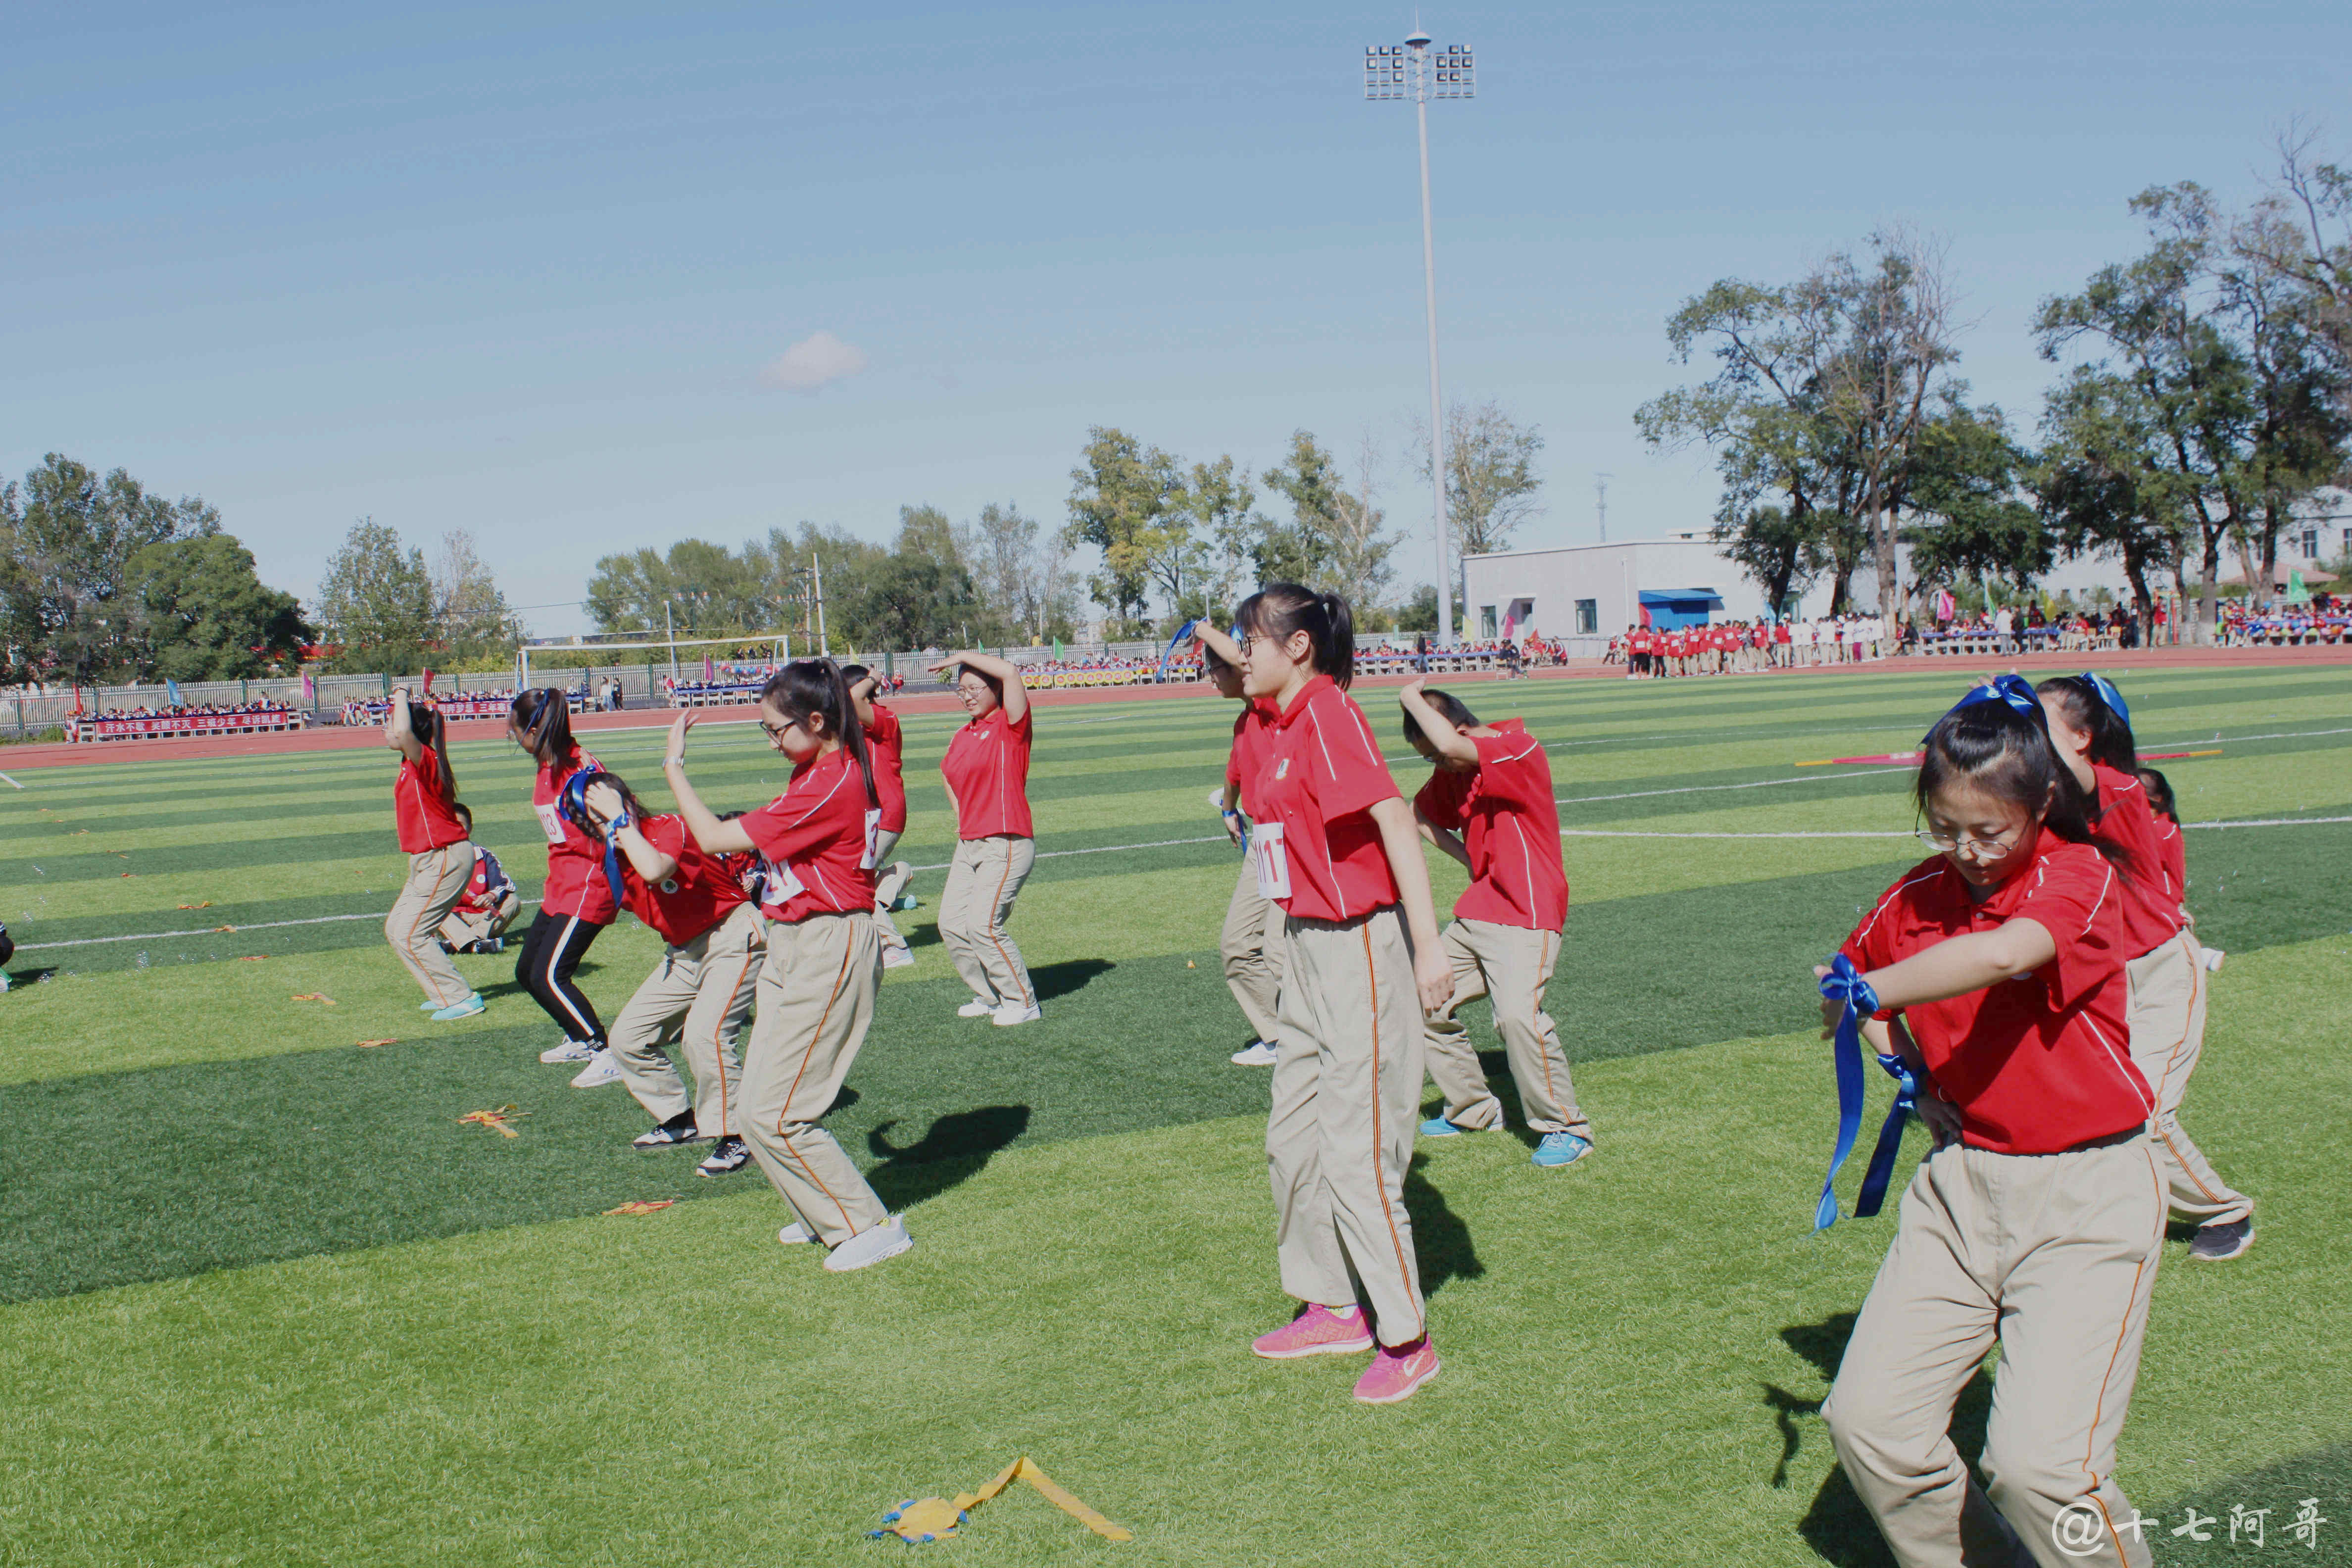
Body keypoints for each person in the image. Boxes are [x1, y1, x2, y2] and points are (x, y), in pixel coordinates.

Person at [1819, 675, 2162, 1568]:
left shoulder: (2079, 874)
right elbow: (1840, 985)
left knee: (2039, 1469)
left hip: (2086, 1195)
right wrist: (1902, 1061)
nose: (1965, 851)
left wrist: (1875, 989)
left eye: (1987, 830)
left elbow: (2005, 952)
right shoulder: (1914, 894)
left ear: (2040, 800)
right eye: (1944, 828)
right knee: (1870, 1426)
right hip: (1960, 1188)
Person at [1236, 584, 1454, 1406]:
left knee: (1355, 1150)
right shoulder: (1278, 722)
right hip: (1305, 947)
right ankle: (1331, 1302)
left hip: (1360, 945)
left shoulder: (1327, 713)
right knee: (1292, 1138)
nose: (1241, 651)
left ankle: (1406, 1337)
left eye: (1251, 638)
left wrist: (1428, 948)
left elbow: (1394, 820)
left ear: (1298, 648)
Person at [663, 661, 914, 1272]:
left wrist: (674, 767)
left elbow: (718, 839)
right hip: (793, 941)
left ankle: (865, 1226)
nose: (772, 741)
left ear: (817, 721)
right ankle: (819, 1211)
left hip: (827, 945)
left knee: (777, 1112)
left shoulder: (831, 781)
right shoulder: (811, 773)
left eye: (777, 730)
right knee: (754, 1104)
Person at [2039, 674, 2254, 1261]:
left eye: (2041, 716)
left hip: (2159, 969)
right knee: (2088, 1102)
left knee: (2147, 1112)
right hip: (2102, 981)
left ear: (2082, 737)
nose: (2027, 721)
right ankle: (2113, 1202)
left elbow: (2083, 784)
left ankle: (2225, 1210)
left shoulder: (2120, 788)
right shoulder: (2044, 793)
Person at [1397, 679, 1589, 1168]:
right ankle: (1473, 1110)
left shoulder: (1516, 748)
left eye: (1438, 755)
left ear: (1459, 729)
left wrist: (1409, 696)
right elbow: (1415, 815)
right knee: (1423, 1001)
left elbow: (1447, 746)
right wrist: (1467, 859)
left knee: (1517, 1018)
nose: (1439, 765)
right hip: (1477, 912)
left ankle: (1567, 1127)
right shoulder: (1454, 772)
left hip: (1527, 913)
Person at [573, 771, 761, 1178]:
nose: (604, 825)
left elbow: (656, 870)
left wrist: (617, 821)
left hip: (731, 933)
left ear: (631, 803)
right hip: (684, 953)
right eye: (594, 819)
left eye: (609, 811)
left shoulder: (667, 827)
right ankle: (680, 1118)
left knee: (704, 1036)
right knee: (626, 1039)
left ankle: (737, 1134)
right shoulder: (612, 858)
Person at [507, 688, 621, 1084]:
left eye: (517, 731)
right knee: (527, 972)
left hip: (589, 885)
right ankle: (577, 1036)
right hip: (561, 883)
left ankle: (603, 1050)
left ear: (535, 729)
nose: (515, 738)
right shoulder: (548, 764)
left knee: (550, 976)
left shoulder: (580, 771)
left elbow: (618, 827)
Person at [930, 648, 1040, 1026]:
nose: (968, 696)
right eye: (962, 690)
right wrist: (961, 816)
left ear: (995, 690)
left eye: (976, 687)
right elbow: (945, 773)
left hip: (1005, 842)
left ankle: (1022, 1001)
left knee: (983, 925)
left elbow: (1011, 671)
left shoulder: (1011, 726)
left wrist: (960, 655)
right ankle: (988, 995)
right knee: (951, 925)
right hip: (969, 843)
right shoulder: (964, 734)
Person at [1195, 624, 1284, 1067]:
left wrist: (1198, 628)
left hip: (1294, 842)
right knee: (1238, 945)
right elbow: (1234, 775)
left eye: (1214, 668)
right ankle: (1282, 1036)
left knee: (1283, 951)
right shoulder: (1245, 720)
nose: (1211, 676)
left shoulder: (1270, 704)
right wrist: (1229, 810)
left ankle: (1303, 1038)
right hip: (1265, 844)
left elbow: (1242, 660)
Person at [382, 688, 484, 1019]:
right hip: (428, 860)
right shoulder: (413, 760)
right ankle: (443, 995)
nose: (389, 728)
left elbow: (401, 732)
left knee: (412, 934)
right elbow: (397, 732)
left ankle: (460, 998)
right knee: (398, 929)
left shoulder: (424, 757)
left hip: (445, 857)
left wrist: (400, 693)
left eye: (392, 722)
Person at [843, 665, 915, 971]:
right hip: (865, 813)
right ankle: (897, 879)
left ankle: (894, 945)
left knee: (852, 884)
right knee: (856, 878)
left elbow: (850, 698)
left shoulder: (884, 718)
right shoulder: (850, 724)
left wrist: (873, 677)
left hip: (884, 811)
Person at [437, 802, 520, 955]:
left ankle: (460, 942)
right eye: (451, 825)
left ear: (470, 828)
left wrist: (491, 895)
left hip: (482, 918)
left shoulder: (484, 857)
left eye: (460, 825)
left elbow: (506, 885)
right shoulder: (437, 858)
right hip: (454, 918)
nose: (456, 830)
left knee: (513, 901)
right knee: (432, 906)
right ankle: (477, 944)